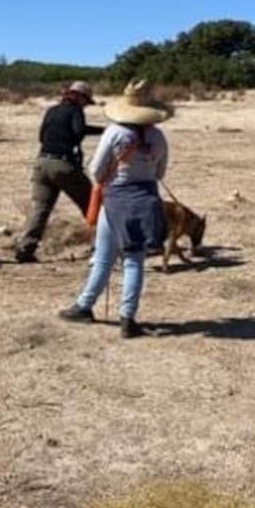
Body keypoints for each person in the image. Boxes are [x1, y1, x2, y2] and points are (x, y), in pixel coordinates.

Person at [59, 80, 170, 338]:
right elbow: (160, 172)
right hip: (146, 197)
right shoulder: (158, 137)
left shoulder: (114, 133)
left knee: (105, 256)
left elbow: (97, 170)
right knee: (134, 260)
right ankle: (126, 318)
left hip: (116, 198)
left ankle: (85, 306)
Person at [13, 80, 105, 263]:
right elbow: (78, 131)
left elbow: (41, 136)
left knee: (40, 209)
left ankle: (25, 248)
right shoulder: (75, 111)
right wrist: (105, 130)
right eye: (86, 101)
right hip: (63, 166)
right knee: (92, 205)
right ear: (79, 97)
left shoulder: (51, 110)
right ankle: (102, 247)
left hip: (41, 163)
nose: (85, 105)